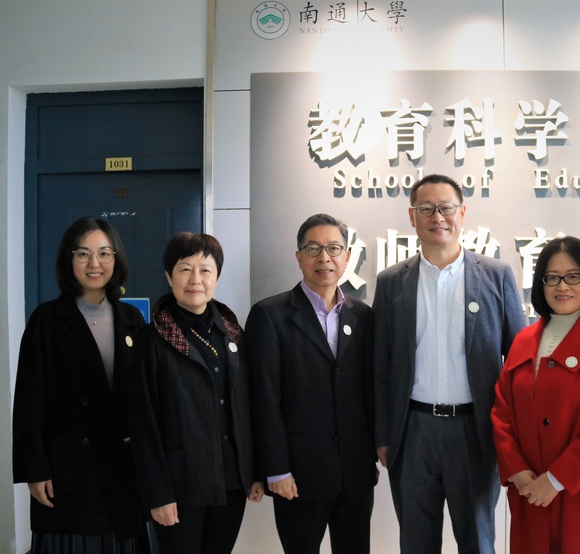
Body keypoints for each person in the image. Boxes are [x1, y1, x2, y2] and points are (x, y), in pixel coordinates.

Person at [373, 173, 527, 553]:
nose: (437, 217)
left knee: (477, 541)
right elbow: (380, 364)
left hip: (475, 430)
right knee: (416, 543)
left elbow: (520, 362)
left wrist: (514, 436)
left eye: (446, 208)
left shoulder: (496, 275)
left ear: (462, 213)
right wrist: (383, 434)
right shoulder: (391, 282)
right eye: (426, 209)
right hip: (413, 430)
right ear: (412, 216)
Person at [12, 216, 147, 553]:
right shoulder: (46, 320)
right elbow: (29, 402)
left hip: (122, 468)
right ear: (68, 260)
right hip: (68, 469)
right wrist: (35, 470)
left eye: (104, 253)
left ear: (116, 259)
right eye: (83, 254)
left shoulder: (132, 319)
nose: (94, 263)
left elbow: (144, 395)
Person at [492, 236, 580, 553]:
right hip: (529, 490)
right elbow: (502, 413)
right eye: (552, 278)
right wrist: (517, 470)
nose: (562, 286)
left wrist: (557, 479)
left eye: (573, 276)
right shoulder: (523, 340)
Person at [246, 213, 377, 554]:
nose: (324, 257)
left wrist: (373, 454)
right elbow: (264, 400)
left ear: (347, 256)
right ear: (299, 257)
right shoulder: (270, 315)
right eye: (313, 248)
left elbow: (369, 392)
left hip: (355, 474)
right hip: (298, 476)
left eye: (334, 248)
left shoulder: (363, 316)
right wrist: (276, 469)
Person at [128, 232, 264, 554]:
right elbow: (143, 425)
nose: (196, 280)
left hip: (231, 482)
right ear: (169, 276)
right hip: (180, 485)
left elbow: (249, 407)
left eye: (205, 270)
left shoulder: (233, 333)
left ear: (217, 276)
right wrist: (158, 494)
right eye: (185, 269)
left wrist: (255, 471)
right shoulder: (153, 339)